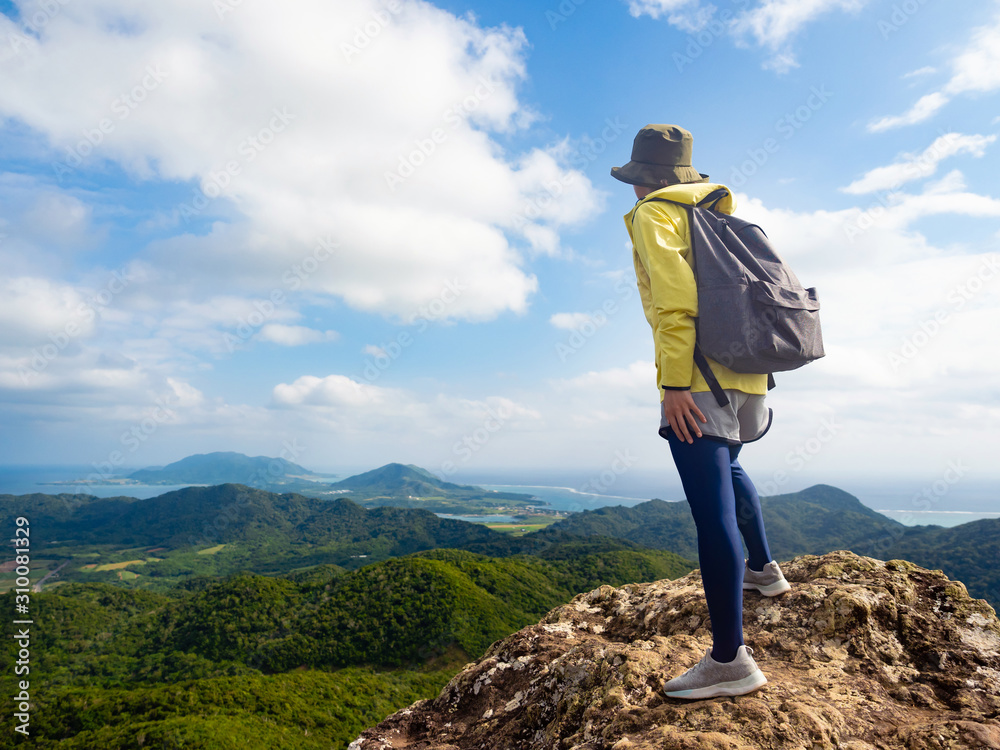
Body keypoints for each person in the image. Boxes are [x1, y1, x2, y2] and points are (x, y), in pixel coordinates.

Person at [612, 124, 791, 700]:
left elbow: (675, 303)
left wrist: (672, 384)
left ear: (648, 179)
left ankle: (728, 660)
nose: (633, 192)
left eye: (636, 181)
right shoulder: (717, 213)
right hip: (751, 376)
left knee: (709, 512)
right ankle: (762, 570)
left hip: (699, 379)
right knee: (731, 469)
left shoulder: (654, 216)